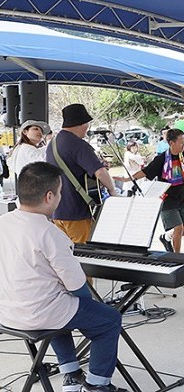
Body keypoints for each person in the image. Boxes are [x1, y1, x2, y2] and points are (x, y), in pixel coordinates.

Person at [0, 162, 125, 392]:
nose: (60, 197)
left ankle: (71, 373)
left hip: (8, 313)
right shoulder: (49, 233)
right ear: (49, 197)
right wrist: (91, 309)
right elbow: (77, 285)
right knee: (109, 319)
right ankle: (97, 385)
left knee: (61, 304)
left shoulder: (3, 222)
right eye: (60, 193)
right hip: (42, 314)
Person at [46, 104, 118, 244]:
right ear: (82, 123)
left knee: (65, 252)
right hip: (77, 212)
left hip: (57, 210)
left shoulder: (53, 143)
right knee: (84, 253)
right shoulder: (78, 144)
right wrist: (112, 190)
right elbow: (100, 172)